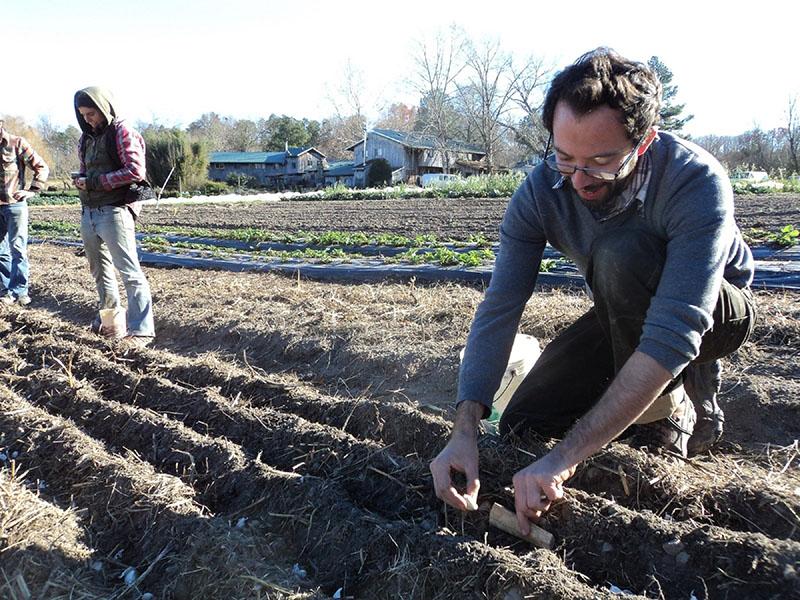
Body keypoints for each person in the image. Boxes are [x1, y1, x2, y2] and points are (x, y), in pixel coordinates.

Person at [430, 48, 756, 535]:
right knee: (525, 421)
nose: (579, 180)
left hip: (714, 309)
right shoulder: (541, 191)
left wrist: (564, 460)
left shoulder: (694, 179)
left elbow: (676, 328)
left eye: (602, 162)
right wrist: (464, 429)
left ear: (642, 142)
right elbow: (500, 308)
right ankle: (638, 400)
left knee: (622, 253)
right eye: (565, 158)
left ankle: (669, 409)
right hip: (621, 302)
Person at [72, 86, 155, 345]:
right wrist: (83, 181)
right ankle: (110, 323)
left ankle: (141, 330)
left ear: (104, 107)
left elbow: (135, 171)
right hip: (90, 212)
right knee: (100, 271)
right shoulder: (86, 139)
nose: (88, 119)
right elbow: (88, 172)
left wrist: (95, 182)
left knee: (129, 271)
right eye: (83, 115)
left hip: (114, 210)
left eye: (91, 113)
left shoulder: (122, 132)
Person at [0, 118, 49, 306]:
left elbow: (41, 166)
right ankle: (6, 291)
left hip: (14, 205)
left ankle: (20, 291)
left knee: (17, 248)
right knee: (1, 251)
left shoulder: (17, 143)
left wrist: (32, 190)